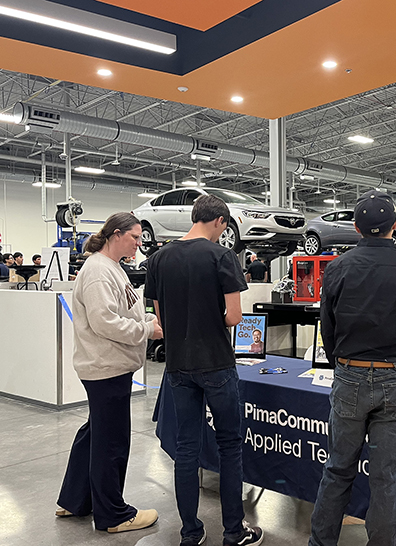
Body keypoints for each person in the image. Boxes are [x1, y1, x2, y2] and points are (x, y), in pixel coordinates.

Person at [309, 190, 396, 546]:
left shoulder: (337, 267)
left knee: (337, 470)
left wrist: (341, 361)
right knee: (387, 477)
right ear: (395, 226)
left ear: (356, 228)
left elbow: (328, 325)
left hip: (350, 373)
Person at [145, 195, 263, 546]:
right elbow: (235, 317)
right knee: (229, 446)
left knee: (186, 448)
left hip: (178, 365)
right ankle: (233, 532)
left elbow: (161, 319)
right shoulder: (221, 256)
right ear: (221, 222)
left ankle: (190, 533)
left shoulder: (159, 258)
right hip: (216, 362)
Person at [56, 212, 163, 533]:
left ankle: (74, 500)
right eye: (134, 237)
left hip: (106, 365)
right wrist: (147, 329)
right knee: (111, 441)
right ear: (116, 234)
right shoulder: (100, 272)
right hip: (106, 366)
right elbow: (106, 322)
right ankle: (114, 515)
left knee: (95, 434)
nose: (138, 244)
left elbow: (118, 310)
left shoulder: (110, 268)